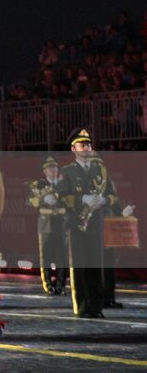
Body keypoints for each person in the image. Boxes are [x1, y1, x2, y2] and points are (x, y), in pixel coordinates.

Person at [57, 128, 133, 318]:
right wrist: (83, 199)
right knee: (80, 268)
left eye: (89, 144)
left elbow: (112, 195)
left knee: (95, 267)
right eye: (83, 144)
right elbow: (61, 197)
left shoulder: (100, 171)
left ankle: (96, 307)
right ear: (74, 148)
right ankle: (82, 306)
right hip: (76, 225)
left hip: (95, 225)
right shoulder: (67, 172)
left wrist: (105, 202)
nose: (87, 148)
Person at [27, 155, 66, 295]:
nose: (53, 170)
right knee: (46, 257)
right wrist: (43, 199)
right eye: (49, 167)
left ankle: (61, 285)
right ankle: (48, 284)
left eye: (55, 167)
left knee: (62, 257)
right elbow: (29, 202)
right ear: (44, 170)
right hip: (46, 224)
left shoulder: (64, 185)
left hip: (61, 223)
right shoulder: (39, 185)